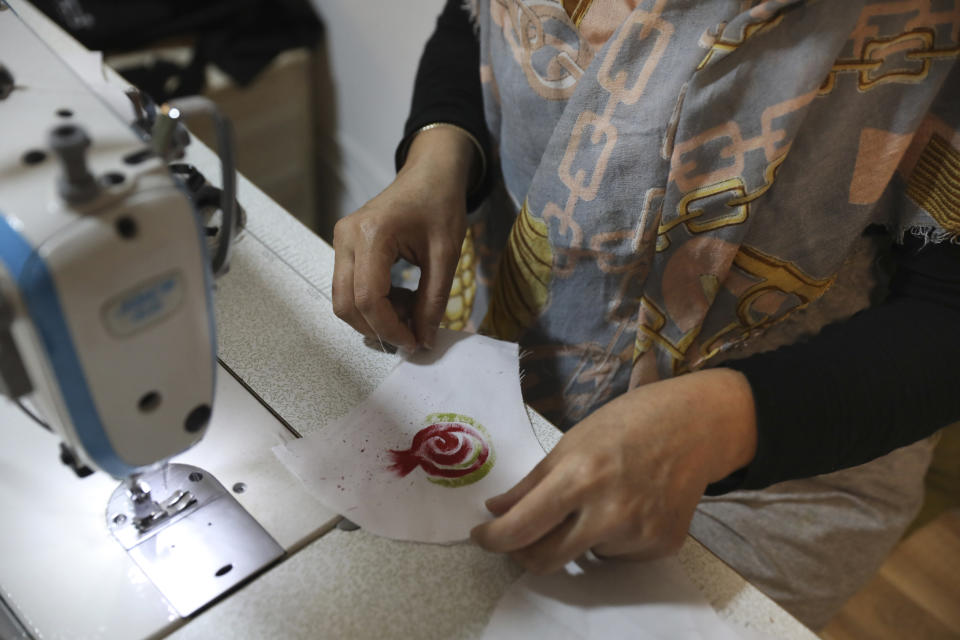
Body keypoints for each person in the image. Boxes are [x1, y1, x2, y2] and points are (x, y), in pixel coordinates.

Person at [332, 0, 960, 628]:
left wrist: (720, 424)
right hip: (518, 378)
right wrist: (438, 152)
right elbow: (470, 22)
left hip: (776, 465)